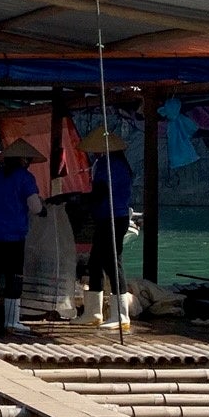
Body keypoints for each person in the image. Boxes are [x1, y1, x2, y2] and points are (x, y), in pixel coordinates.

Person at [0, 140, 45, 331]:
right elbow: (35, 207)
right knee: (13, 277)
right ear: (23, 159)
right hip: (13, 235)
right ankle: (11, 320)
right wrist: (43, 210)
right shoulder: (25, 178)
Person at [82, 128, 132, 328]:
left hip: (112, 217)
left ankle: (121, 315)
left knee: (112, 262)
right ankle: (93, 312)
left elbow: (100, 192)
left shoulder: (108, 165)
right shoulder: (120, 164)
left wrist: (79, 200)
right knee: (95, 262)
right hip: (111, 216)